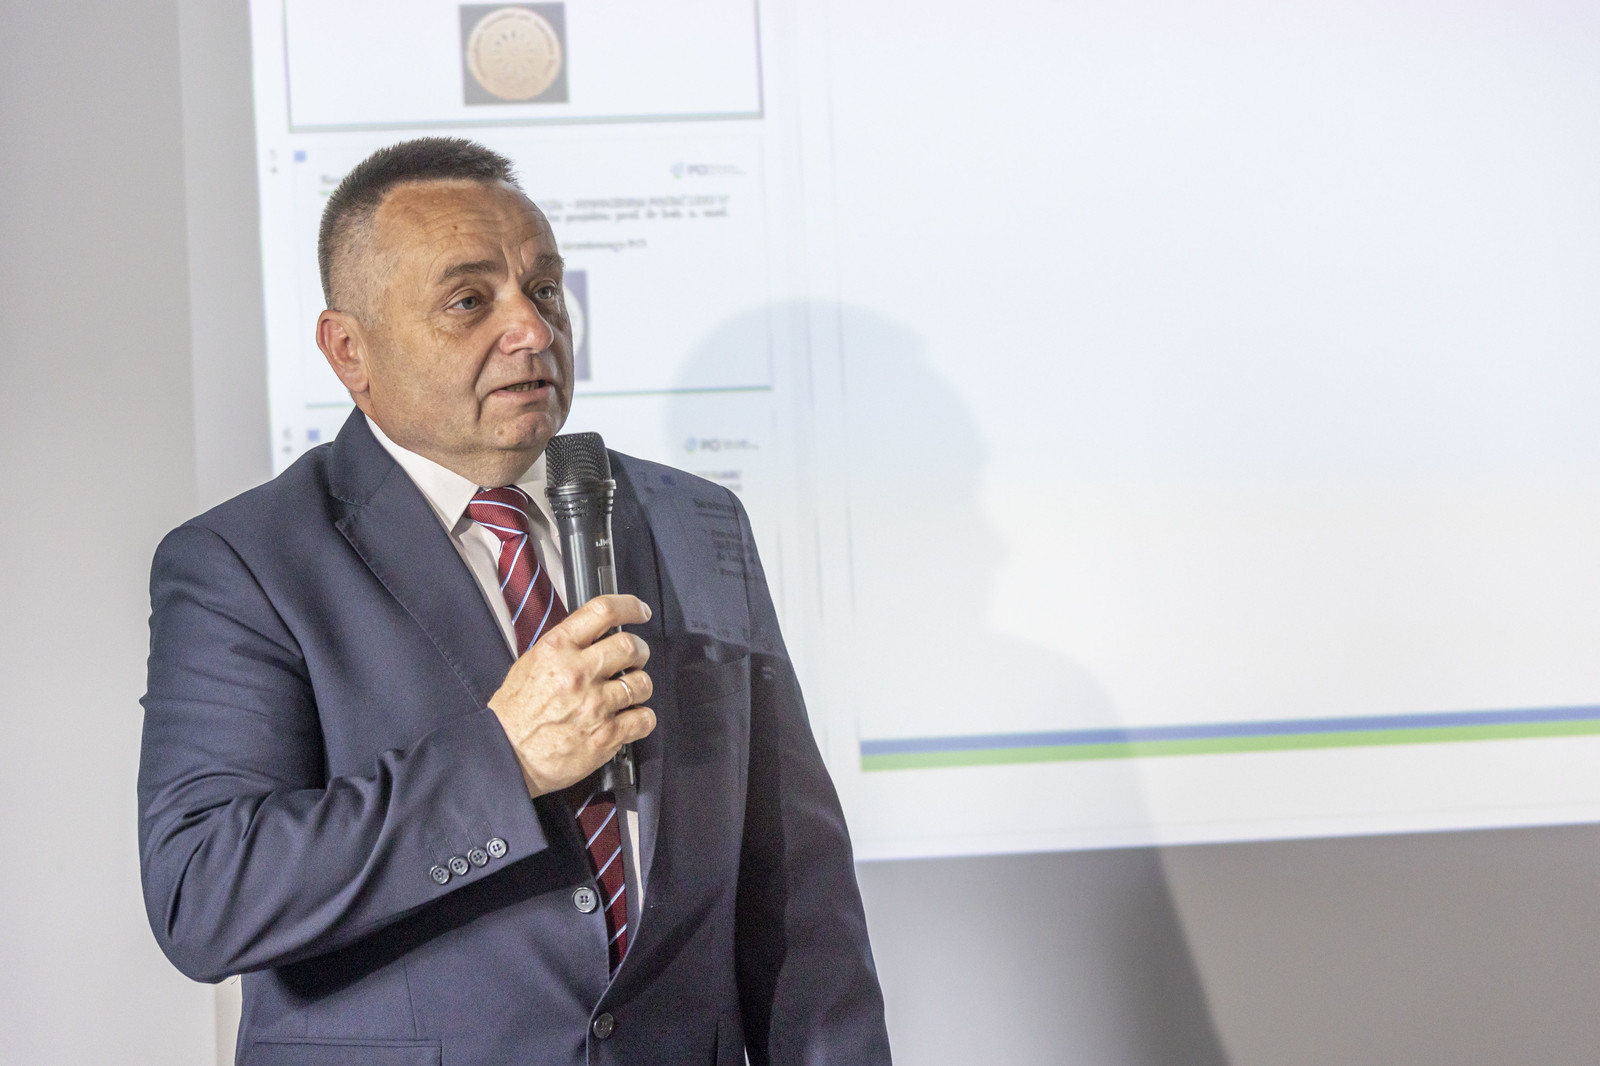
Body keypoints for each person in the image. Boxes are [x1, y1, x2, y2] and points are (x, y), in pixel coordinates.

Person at [137, 137, 891, 1066]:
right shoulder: (243, 563)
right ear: (349, 351)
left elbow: (796, 887)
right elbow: (205, 896)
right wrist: (505, 760)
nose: (532, 330)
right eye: (469, 301)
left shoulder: (695, 518)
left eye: (543, 290)